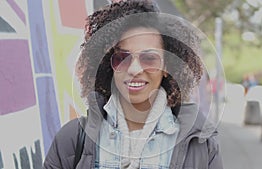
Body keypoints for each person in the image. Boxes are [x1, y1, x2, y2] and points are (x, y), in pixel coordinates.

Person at [43, 0, 223, 168]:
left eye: (149, 58)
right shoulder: (73, 140)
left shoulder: (201, 146)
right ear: (109, 64)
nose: (134, 69)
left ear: (167, 66)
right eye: (122, 58)